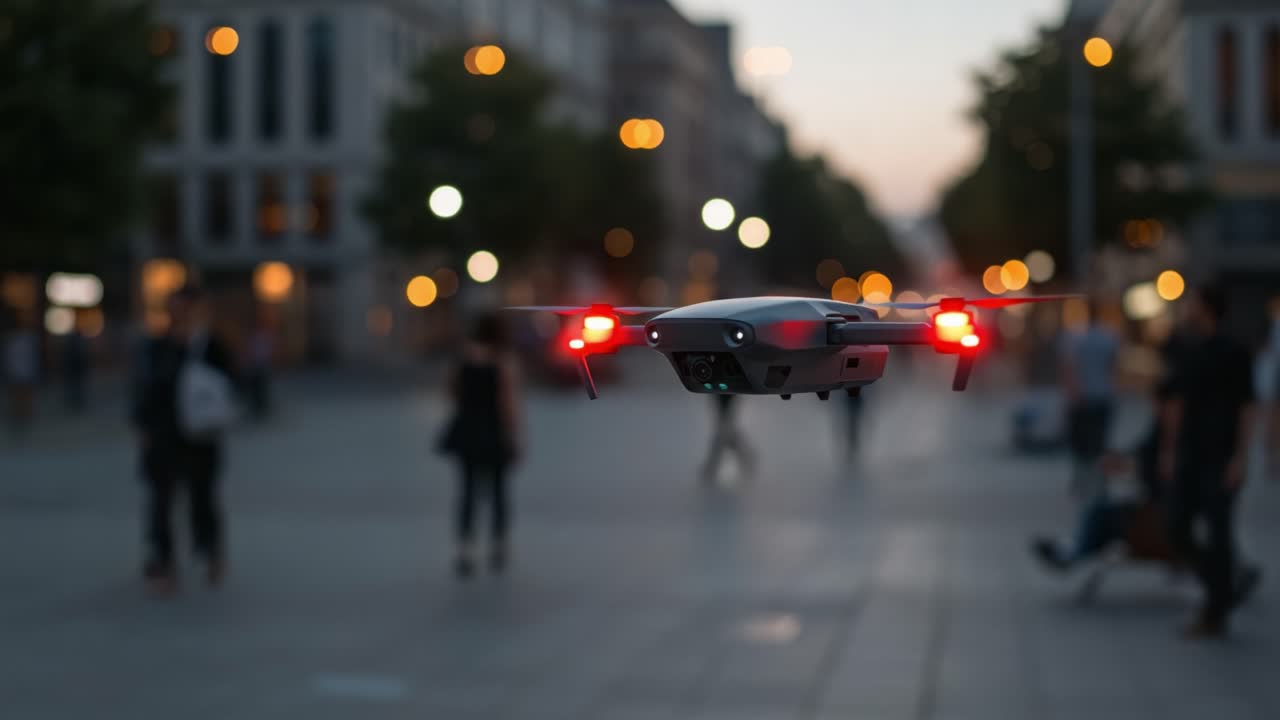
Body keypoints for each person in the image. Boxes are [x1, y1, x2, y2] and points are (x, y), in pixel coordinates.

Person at [1160, 285, 1259, 638]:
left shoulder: (1235, 352)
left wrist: (1240, 458)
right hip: (1191, 452)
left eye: (1192, 303)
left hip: (1220, 454)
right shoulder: (1188, 349)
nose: (1187, 308)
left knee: (1219, 530)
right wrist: (1170, 451)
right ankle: (1223, 587)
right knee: (1177, 526)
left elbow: (1248, 407)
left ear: (1206, 308)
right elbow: (1175, 403)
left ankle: (1217, 607)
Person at [131, 286, 236, 594]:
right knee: (161, 500)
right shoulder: (156, 346)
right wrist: (144, 428)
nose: (181, 315)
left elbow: (229, 384)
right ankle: (163, 561)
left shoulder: (211, 345)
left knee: (202, 496)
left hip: (201, 435)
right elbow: (144, 390)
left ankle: (209, 549)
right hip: (165, 433)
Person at [440, 312, 523, 578]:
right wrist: (514, 436)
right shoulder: (503, 361)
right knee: (498, 490)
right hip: (494, 430)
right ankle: (497, 545)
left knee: (467, 490)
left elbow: (450, 389)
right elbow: (507, 403)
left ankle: (464, 549)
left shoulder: (463, 358)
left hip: (467, 429)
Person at [1060, 300, 1121, 497]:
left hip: (1083, 397)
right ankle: (1099, 480)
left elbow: (1070, 369)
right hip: (1103, 395)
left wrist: (1072, 394)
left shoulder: (1076, 339)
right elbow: (1114, 367)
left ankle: (1082, 479)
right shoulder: (1109, 337)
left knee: (1081, 442)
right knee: (1100, 441)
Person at [700, 393, 756, 485]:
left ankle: (709, 470)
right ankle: (748, 461)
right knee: (726, 439)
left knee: (723, 439)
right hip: (725, 416)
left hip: (725, 416)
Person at [4, 314, 39, 433]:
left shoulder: (22, 338)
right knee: (20, 395)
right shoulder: (21, 338)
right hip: (20, 371)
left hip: (21, 371)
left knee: (22, 395)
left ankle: (22, 417)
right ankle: (21, 417)